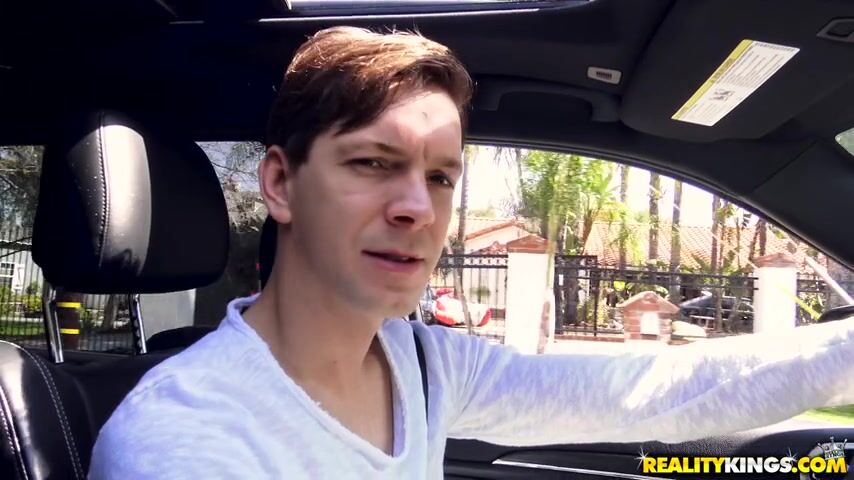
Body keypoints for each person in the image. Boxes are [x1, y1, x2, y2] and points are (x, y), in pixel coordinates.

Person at [89, 26, 854, 479]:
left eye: (440, 177)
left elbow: (647, 393)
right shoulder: (182, 439)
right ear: (282, 184)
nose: (418, 208)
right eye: (373, 163)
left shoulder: (421, 364)